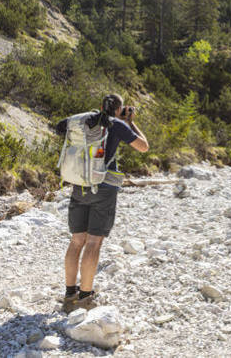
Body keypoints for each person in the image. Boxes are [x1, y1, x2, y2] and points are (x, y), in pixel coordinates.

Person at [54, 93, 148, 312]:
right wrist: (131, 123)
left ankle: (69, 295)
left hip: (79, 184)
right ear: (120, 109)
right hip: (104, 187)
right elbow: (143, 146)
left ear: (100, 106)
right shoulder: (117, 125)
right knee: (94, 243)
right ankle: (85, 297)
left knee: (77, 240)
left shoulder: (85, 121)